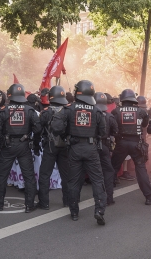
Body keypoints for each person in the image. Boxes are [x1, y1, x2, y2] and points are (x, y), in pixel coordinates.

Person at [51, 80, 107, 225]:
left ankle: (74, 212)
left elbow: (56, 127)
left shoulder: (69, 109)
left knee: (74, 181)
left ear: (77, 92)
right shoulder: (96, 110)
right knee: (97, 181)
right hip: (91, 148)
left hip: (74, 148)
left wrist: (66, 134)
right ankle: (99, 210)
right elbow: (104, 131)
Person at [0, 84, 41, 213]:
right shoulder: (30, 110)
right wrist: (35, 145)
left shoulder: (3, 111)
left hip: (7, 146)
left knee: (2, 176)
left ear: (10, 95)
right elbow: (38, 130)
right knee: (29, 176)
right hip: (24, 145)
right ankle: (29, 205)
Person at [111, 89, 151, 205]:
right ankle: (149, 197)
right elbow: (145, 125)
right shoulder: (141, 111)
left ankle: (108, 197)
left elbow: (112, 126)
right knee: (141, 169)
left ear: (123, 99)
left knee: (112, 169)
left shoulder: (116, 111)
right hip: (136, 143)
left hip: (121, 143)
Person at [37, 86, 69, 209]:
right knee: (66, 175)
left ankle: (44, 203)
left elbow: (38, 130)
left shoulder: (45, 113)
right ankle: (67, 201)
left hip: (49, 146)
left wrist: (35, 145)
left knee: (45, 174)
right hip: (64, 146)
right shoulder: (67, 112)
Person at [94, 92, 117, 205]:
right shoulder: (109, 116)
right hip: (104, 146)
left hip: (90, 146)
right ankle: (109, 198)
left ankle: (73, 200)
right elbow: (115, 131)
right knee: (108, 171)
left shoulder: (89, 115)